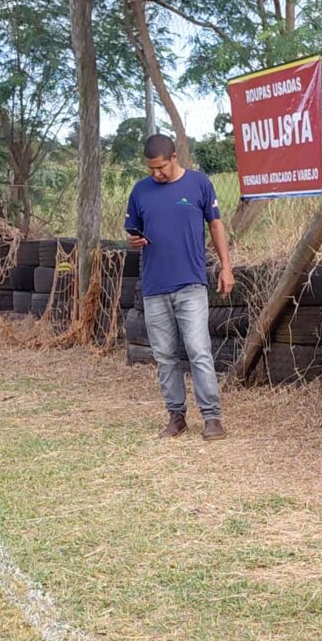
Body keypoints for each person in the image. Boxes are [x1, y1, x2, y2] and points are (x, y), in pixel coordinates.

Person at [125, 134, 234, 440]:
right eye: (150, 169)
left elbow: (215, 225)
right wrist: (135, 240)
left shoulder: (199, 184)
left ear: (174, 157)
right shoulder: (140, 191)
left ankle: (212, 418)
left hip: (191, 284)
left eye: (160, 167)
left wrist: (226, 267)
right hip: (154, 286)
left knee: (199, 350)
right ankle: (176, 417)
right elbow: (133, 231)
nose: (155, 174)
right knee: (164, 356)